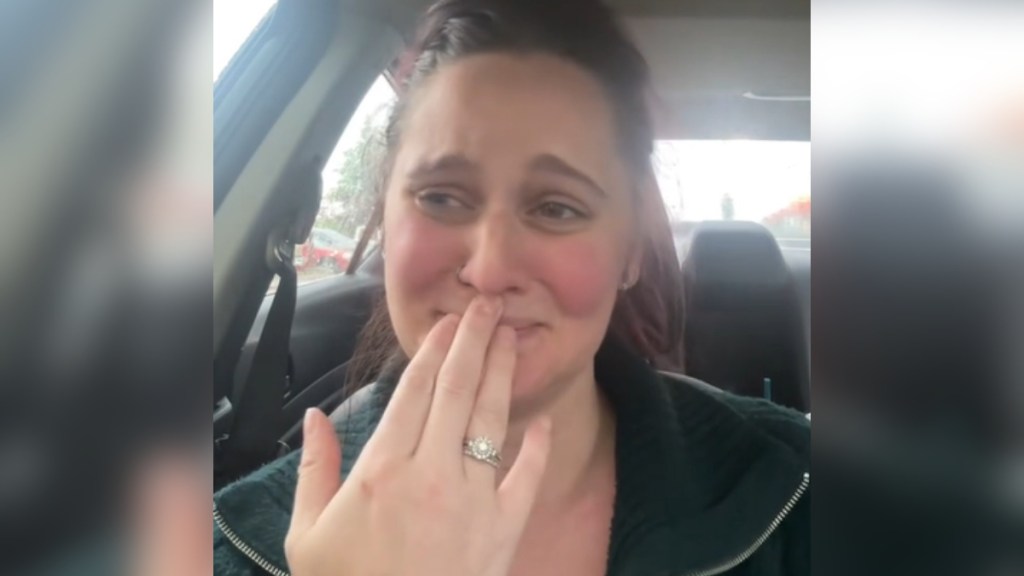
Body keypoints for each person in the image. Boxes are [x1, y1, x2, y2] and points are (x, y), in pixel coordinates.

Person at [213, 0, 809, 575]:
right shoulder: (231, 545)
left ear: (629, 253)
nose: (491, 269)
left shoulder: (806, 494)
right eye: (441, 198)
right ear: (386, 221)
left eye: (556, 207)